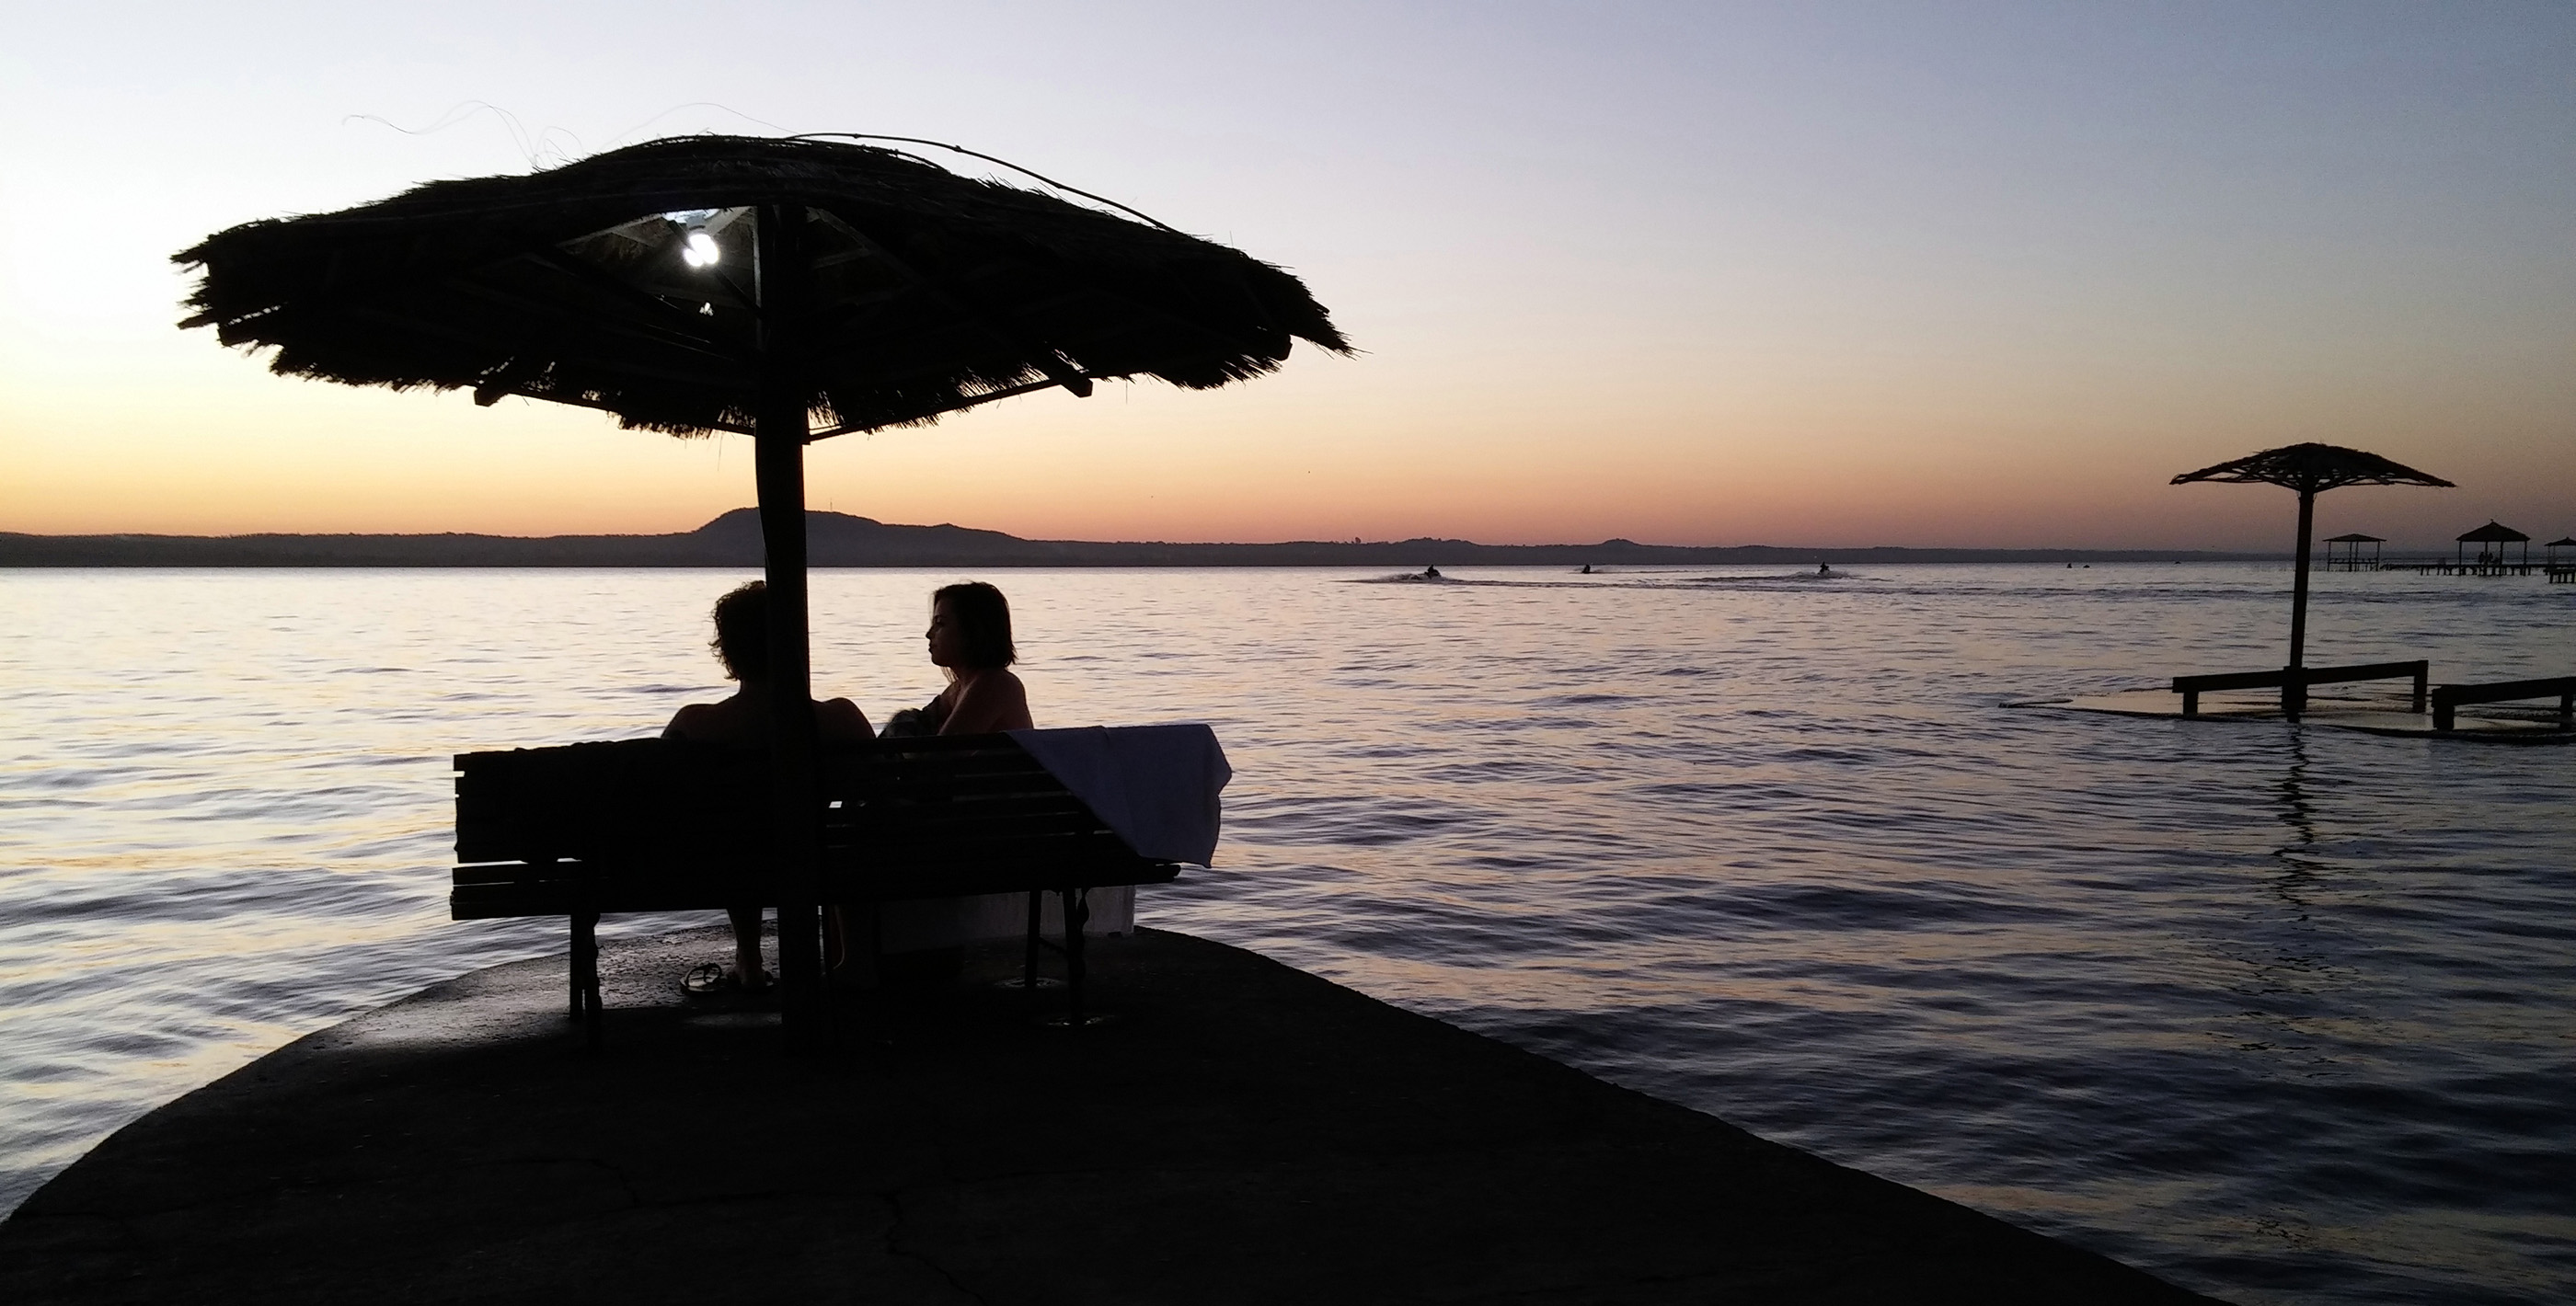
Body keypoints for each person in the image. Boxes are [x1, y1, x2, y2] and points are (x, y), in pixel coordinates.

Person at [663, 580, 871, 992]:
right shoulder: (841, 718)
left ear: (728, 649)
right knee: (847, 840)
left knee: (735, 839)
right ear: (797, 641)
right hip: (816, 856)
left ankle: (750, 962)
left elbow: (661, 796)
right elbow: (877, 793)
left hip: (726, 862)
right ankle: (856, 961)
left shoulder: (695, 724)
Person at [914, 580, 1032, 735]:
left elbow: (943, 753)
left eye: (940, 623)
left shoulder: (996, 685)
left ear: (972, 630)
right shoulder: (956, 690)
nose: (929, 634)